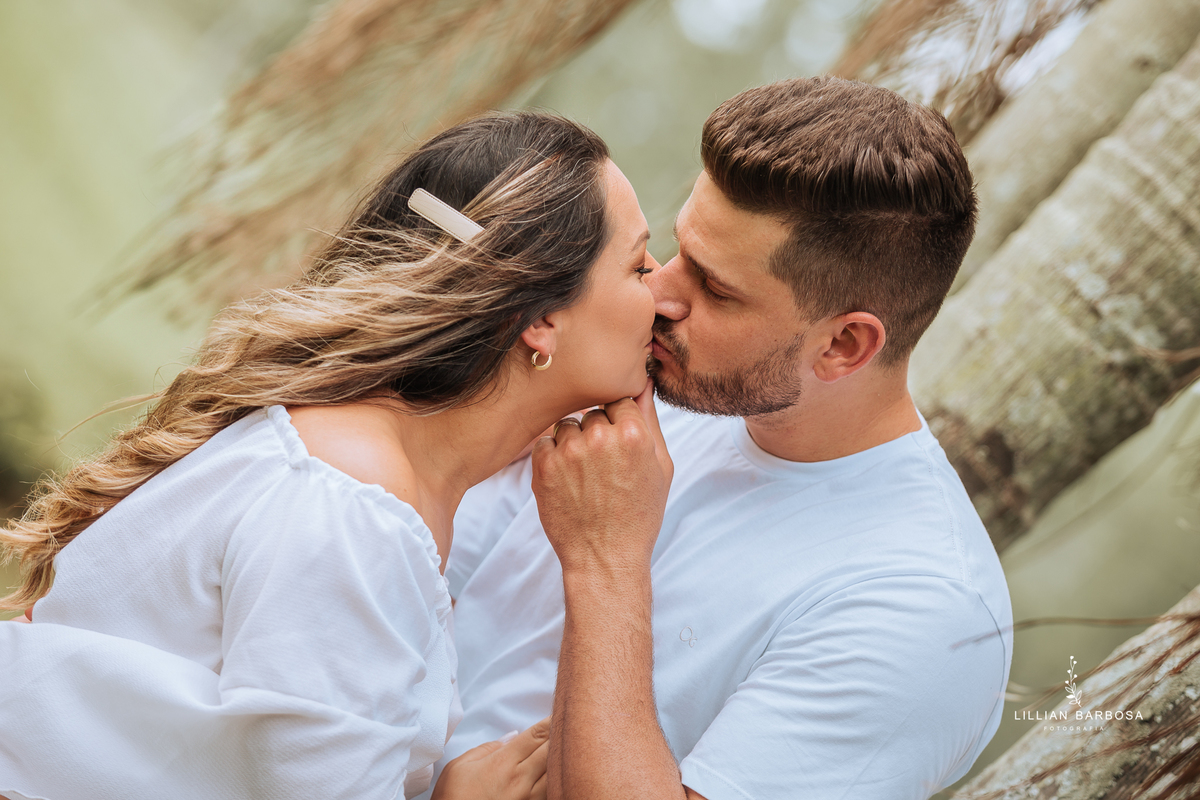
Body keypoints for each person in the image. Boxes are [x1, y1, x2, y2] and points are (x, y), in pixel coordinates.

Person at [0, 111, 662, 800]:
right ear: (538, 320)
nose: (665, 291)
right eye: (639, 264)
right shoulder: (354, 510)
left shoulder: (373, 474)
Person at [420, 77, 1014, 800]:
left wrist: (606, 561)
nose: (661, 294)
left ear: (844, 346)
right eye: (678, 251)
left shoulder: (924, 611)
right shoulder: (667, 382)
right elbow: (425, 584)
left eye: (716, 288)